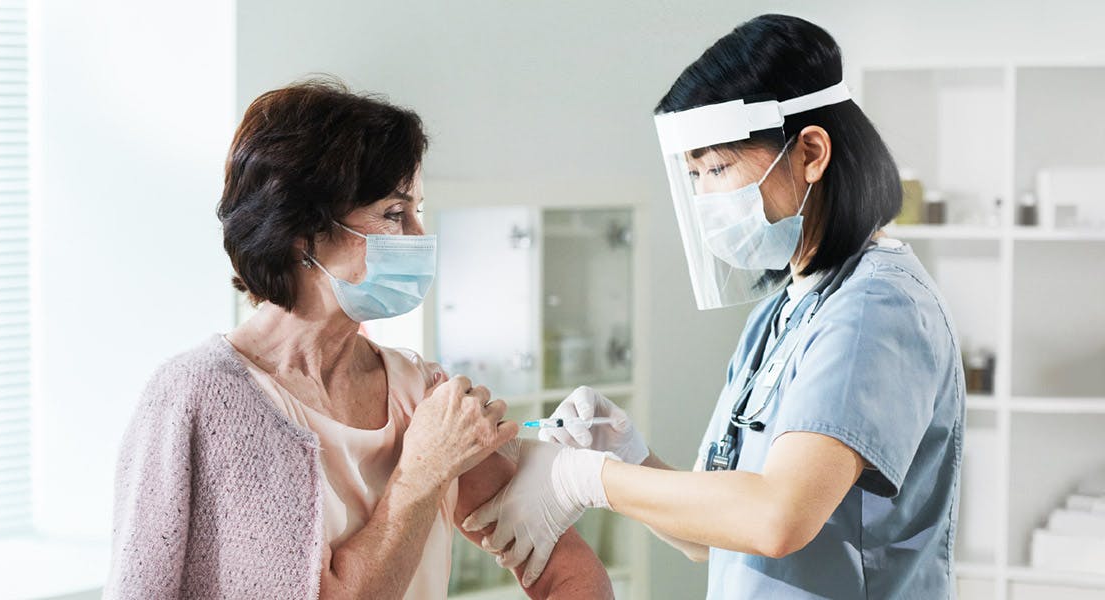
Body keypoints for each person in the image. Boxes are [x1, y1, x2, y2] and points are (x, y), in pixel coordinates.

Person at [464, 14, 966, 599]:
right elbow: (714, 536)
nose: (705, 197)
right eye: (693, 174)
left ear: (810, 153)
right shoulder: (779, 315)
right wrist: (629, 455)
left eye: (719, 167)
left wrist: (585, 479)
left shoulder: (876, 308)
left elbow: (776, 518)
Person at [104, 78, 613, 599]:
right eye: (395, 214)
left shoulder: (422, 393)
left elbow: (570, 572)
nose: (420, 237)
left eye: (419, 210)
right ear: (303, 230)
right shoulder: (198, 398)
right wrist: (423, 473)